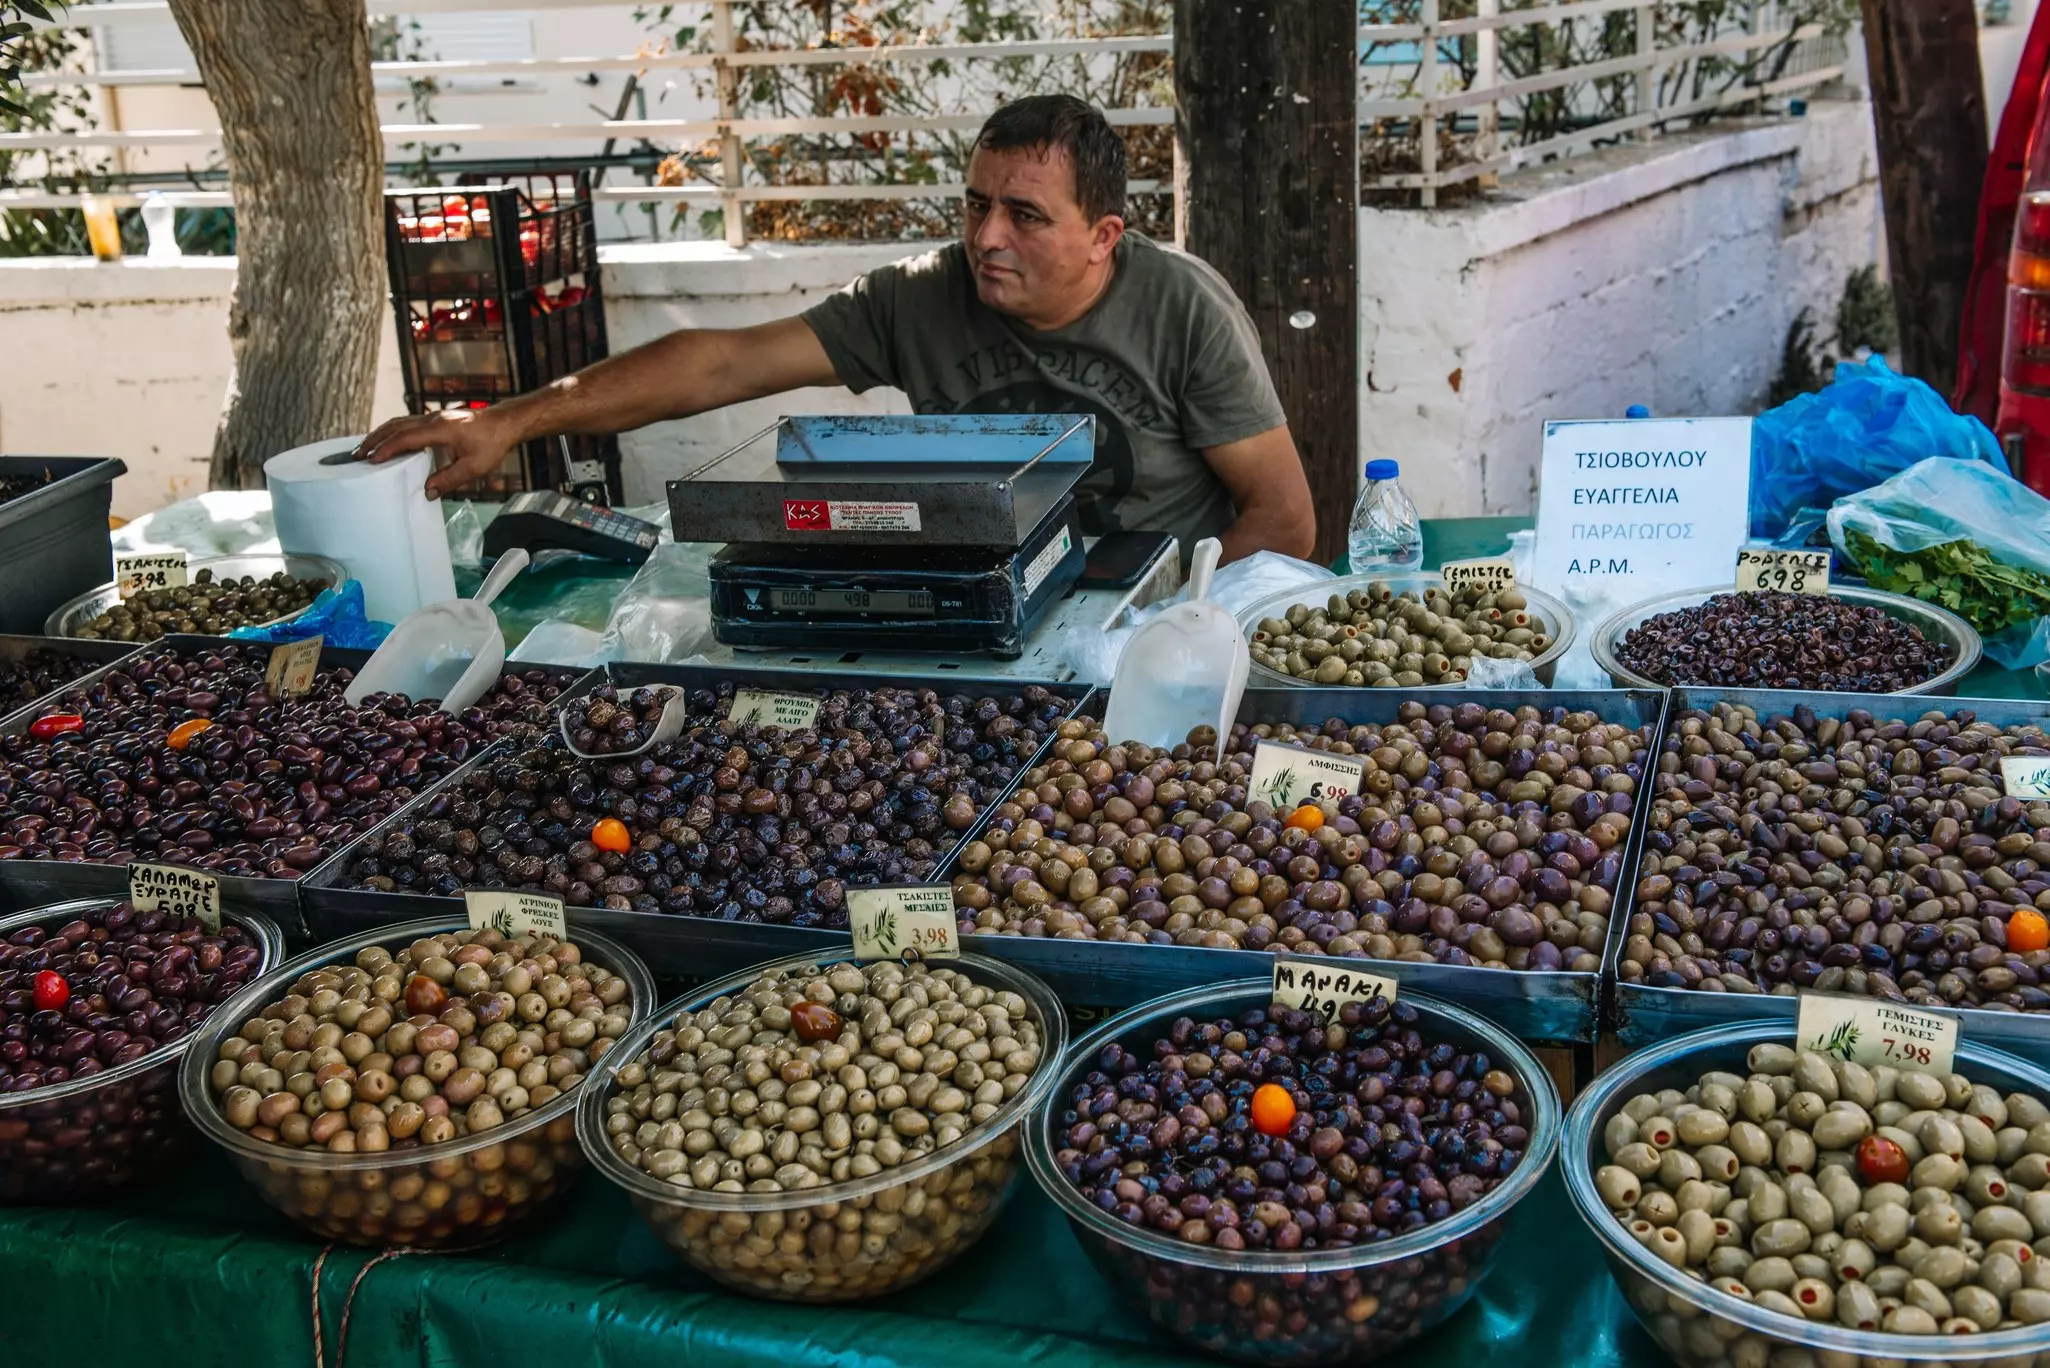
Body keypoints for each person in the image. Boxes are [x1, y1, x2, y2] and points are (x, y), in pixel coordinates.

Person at [357, 94, 1317, 563]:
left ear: (1104, 235)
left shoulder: (1185, 305)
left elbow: (1285, 520)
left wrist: (1141, 619)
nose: (986, 238)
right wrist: (510, 421)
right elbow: (718, 363)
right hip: (989, 602)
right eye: (975, 204)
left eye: (1025, 216)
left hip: (1142, 624)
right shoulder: (916, 296)